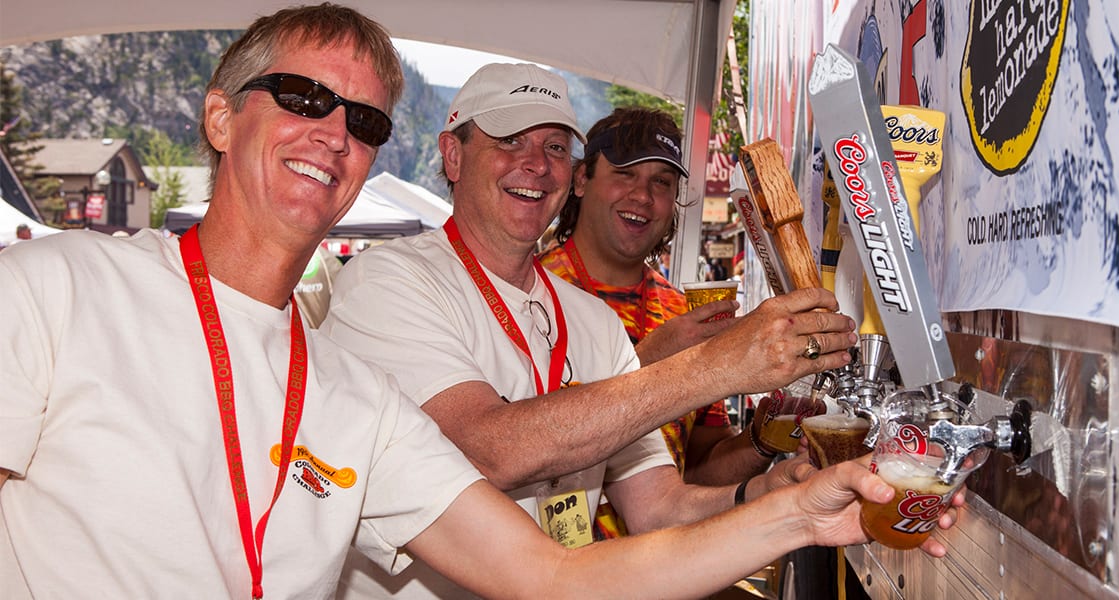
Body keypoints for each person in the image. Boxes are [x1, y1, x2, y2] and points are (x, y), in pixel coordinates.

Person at [0, 5, 958, 599]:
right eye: (300, 97)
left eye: (365, 121)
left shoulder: (348, 396)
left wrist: (798, 507)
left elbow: (554, 575)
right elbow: (490, 447)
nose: (333, 135)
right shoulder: (58, 288)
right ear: (219, 115)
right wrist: (716, 366)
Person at [322, 62, 958, 598]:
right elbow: (489, 450)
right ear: (453, 154)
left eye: (553, 148)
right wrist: (719, 365)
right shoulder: (389, 281)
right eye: (510, 141)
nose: (535, 165)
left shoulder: (591, 320)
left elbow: (660, 507)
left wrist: (775, 490)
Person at [538, 107, 799, 541]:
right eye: (625, 173)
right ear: (581, 180)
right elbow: (519, 444)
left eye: (661, 181)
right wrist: (657, 359)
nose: (642, 195)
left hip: (657, 569)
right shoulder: (531, 295)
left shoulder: (682, 311)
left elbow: (696, 470)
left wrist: (763, 438)